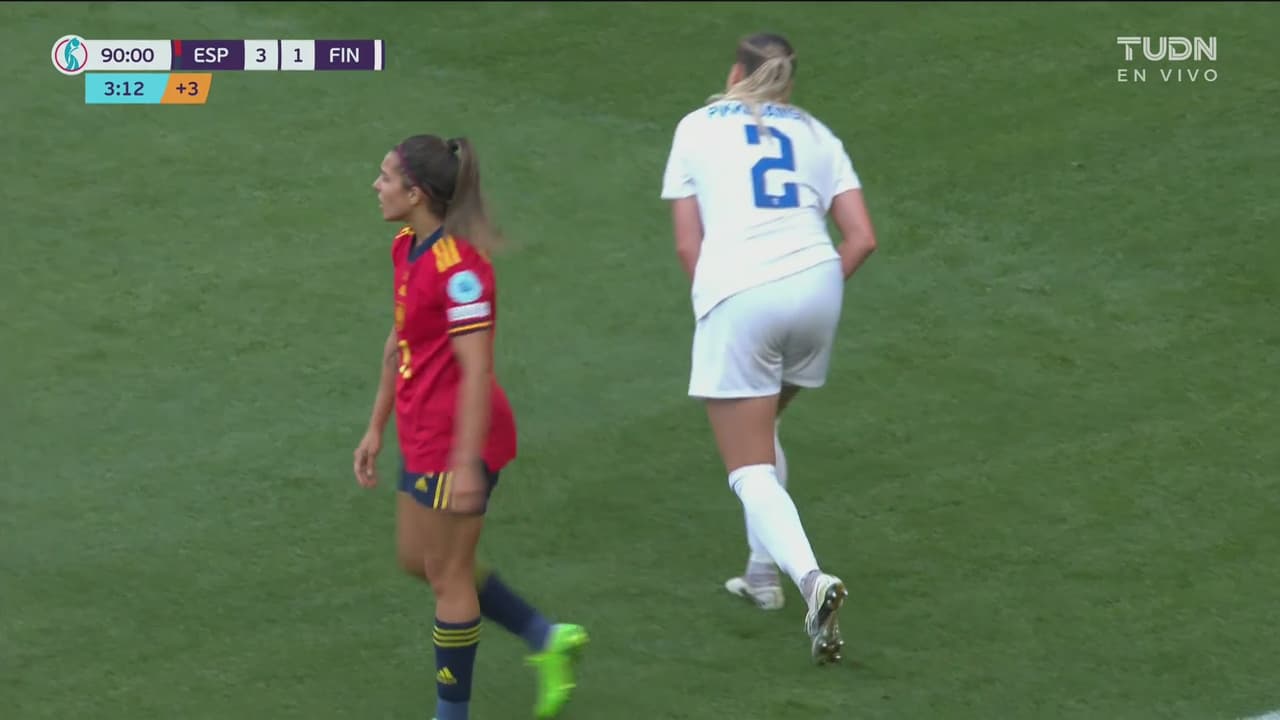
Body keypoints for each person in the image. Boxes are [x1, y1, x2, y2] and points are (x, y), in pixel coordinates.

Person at [659, 32, 879, 665]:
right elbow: (861, 238)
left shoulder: (696, 126)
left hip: (742, 292)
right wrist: (809, 292)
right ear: (788, 81)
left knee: (748, 467)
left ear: (736, 73)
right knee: (765, 421)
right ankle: (761, 574)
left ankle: (811, 581)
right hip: (818, 285)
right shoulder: (817, 134)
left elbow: (688, 244)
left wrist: (720, 308)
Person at [353, 133, 588, 718]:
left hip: (461, 438)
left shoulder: (461, 272)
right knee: (418, 558)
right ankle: (543, 636)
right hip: (421, 432)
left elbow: (478, 369)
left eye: (386, 177)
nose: (376, 186)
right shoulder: (405, 247)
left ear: (416, 193)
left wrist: (463, 464)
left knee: (448, 576)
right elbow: (399, 341)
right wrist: (376, 426)